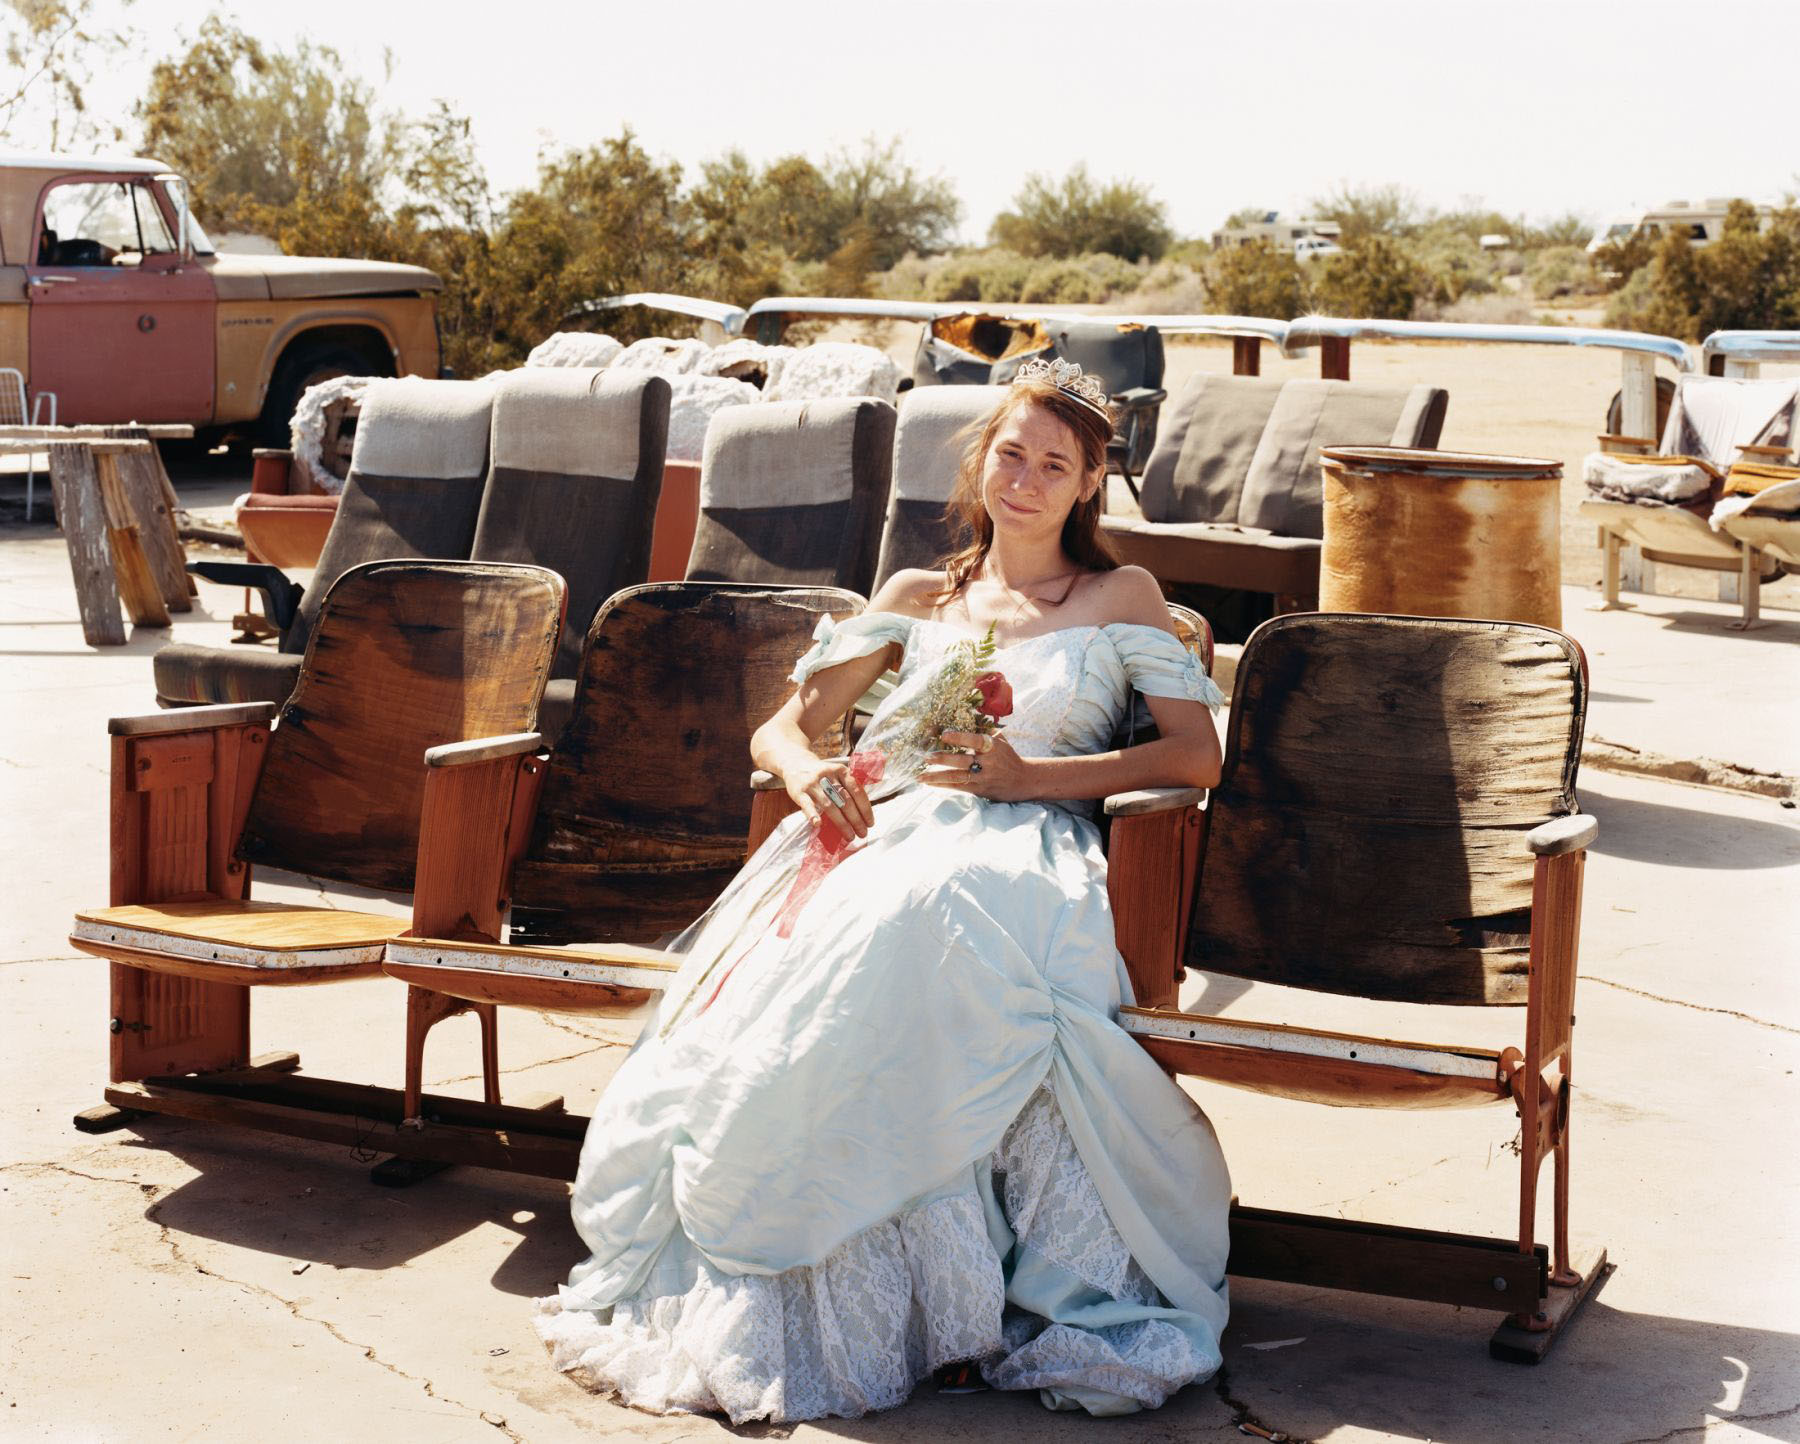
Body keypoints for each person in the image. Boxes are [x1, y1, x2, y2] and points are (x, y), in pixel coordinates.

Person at [534, 358, 1233, 1422]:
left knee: (925, 918)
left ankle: (977, 1290)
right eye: (1011, 453)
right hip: (893, 825)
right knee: (834, 943)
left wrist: (1032, 777)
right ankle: (839, 1280)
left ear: (1090, 483)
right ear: (979, 458)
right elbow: (783, 727)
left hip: (1029, 844)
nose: (1027, 479)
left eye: (1056, 464)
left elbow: (1195, 755)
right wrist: (808, 771)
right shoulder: (917, 597)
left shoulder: (1119, 597)